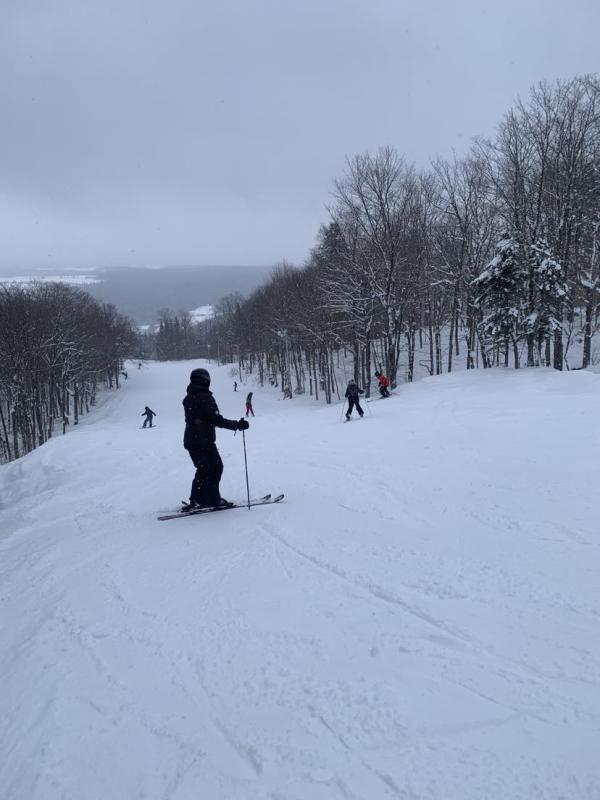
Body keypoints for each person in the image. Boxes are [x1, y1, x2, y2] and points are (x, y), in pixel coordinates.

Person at [183, 368, 249, 510]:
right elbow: (216, 419)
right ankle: (211, 499)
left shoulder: (189, 397)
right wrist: (237, 425)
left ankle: (197, 498)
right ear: (204, 380)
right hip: (203, 441)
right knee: (215, 467)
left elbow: (202, 418)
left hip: (191, 440)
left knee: (203, 469)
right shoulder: (204, 397)